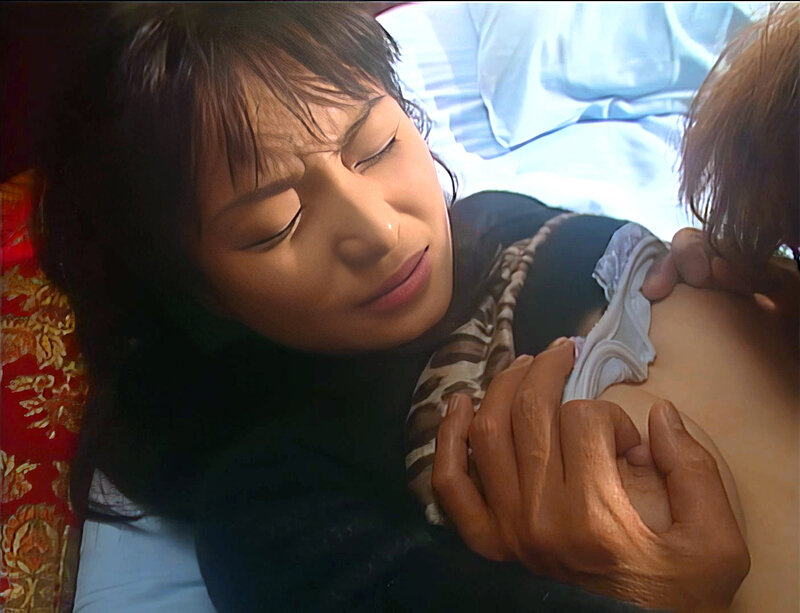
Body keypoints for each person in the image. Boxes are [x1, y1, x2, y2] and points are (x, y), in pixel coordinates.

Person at [33, 3, 793, 611]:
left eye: (374, 147)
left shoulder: (500, 219)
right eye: (276, 224)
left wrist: (744, 280)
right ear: (197, 291)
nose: (381, 231)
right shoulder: (278, 500)